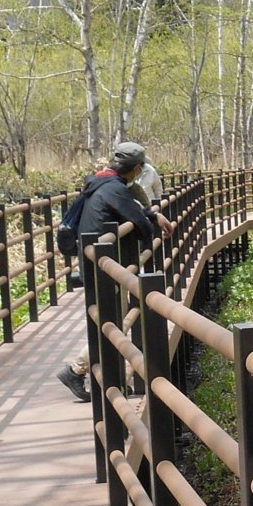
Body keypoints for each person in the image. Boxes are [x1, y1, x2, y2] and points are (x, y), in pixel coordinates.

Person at [56, 141, 173, 401]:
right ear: (137, 169)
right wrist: (150, 219)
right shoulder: (115, 189)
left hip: (99, 263)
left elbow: (137, 214)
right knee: (114, 322)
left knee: (112, 321)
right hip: (105, 266)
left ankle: (115, 380)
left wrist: (152, 216)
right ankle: (76, 369)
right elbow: (142, 228)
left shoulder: (101, 183)